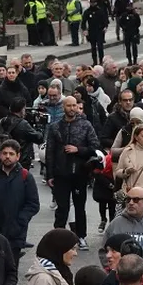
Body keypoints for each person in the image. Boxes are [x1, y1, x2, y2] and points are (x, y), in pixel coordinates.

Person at [46, 96, 101, 251]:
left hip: (80, 173)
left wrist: (79, 150)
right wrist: (49, 174)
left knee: (79, 207)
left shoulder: (85, 125)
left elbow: (95, 146)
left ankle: (81, 237)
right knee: (62, 208)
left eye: (74, 105)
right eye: (68, 106)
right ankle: (57, 237)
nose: (72, 108)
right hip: (61, 173)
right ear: (63, 107)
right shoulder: (55, 127)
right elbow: (50, 151)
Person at [0, 140, 40, 264]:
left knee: (11, 267)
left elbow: (33, 204)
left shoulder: (25, 176)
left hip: (16, 234)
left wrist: (20, 221)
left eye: (11, 154)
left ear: (18, 156)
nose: (7, 156)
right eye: (4, 153)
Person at [0, 99, 44, 170]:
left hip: (5, 157)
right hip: (21, 159)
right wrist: (39, 126)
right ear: (22, 109)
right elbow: (39, 138)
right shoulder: (23, 124)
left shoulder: (2, 121)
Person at [82, 0, 110, 65]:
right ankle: (94, 61)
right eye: (91, 3)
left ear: (96, 3)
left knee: (100, 47)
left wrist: (105, 26)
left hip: (99, 30)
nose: (92, 4)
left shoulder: (100, 11)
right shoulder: (87, 11)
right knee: (93, 47)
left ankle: (101, 61)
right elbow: (83, 22)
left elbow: (105, 20)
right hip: (91, 31)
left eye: (94, 2)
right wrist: (84, 30)